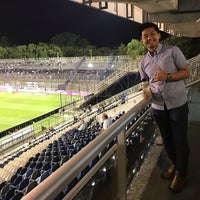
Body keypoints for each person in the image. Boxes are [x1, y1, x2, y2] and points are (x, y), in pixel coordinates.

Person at [138, 22, 190, 193]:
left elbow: (186, 72)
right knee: (167, 140)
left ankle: (181, 173)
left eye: (152, 34)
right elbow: (145, 82)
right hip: (158, 107)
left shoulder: (173, 50)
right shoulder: (143, 62)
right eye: (145, 36)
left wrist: (166, 76)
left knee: (180, 141)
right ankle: (174, 165)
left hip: (177, 104)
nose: (149, 38)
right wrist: (145, 91)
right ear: (142, 41)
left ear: (159, 35)